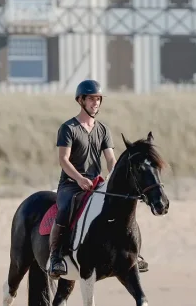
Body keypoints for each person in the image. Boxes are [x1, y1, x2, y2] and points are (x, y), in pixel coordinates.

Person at [47, 79, 149, 278]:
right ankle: (56, 256)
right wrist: (78, 179)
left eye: (99, 99)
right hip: (71, 185)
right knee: (66, 208)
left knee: (121, 208)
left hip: (96, 183)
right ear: (81, 100)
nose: (96, 103)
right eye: (92, 99)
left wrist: (113, 179)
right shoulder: (68, 128)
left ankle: (131, 253)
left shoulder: (103, 130)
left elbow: (111, 159)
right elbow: (63, 160)